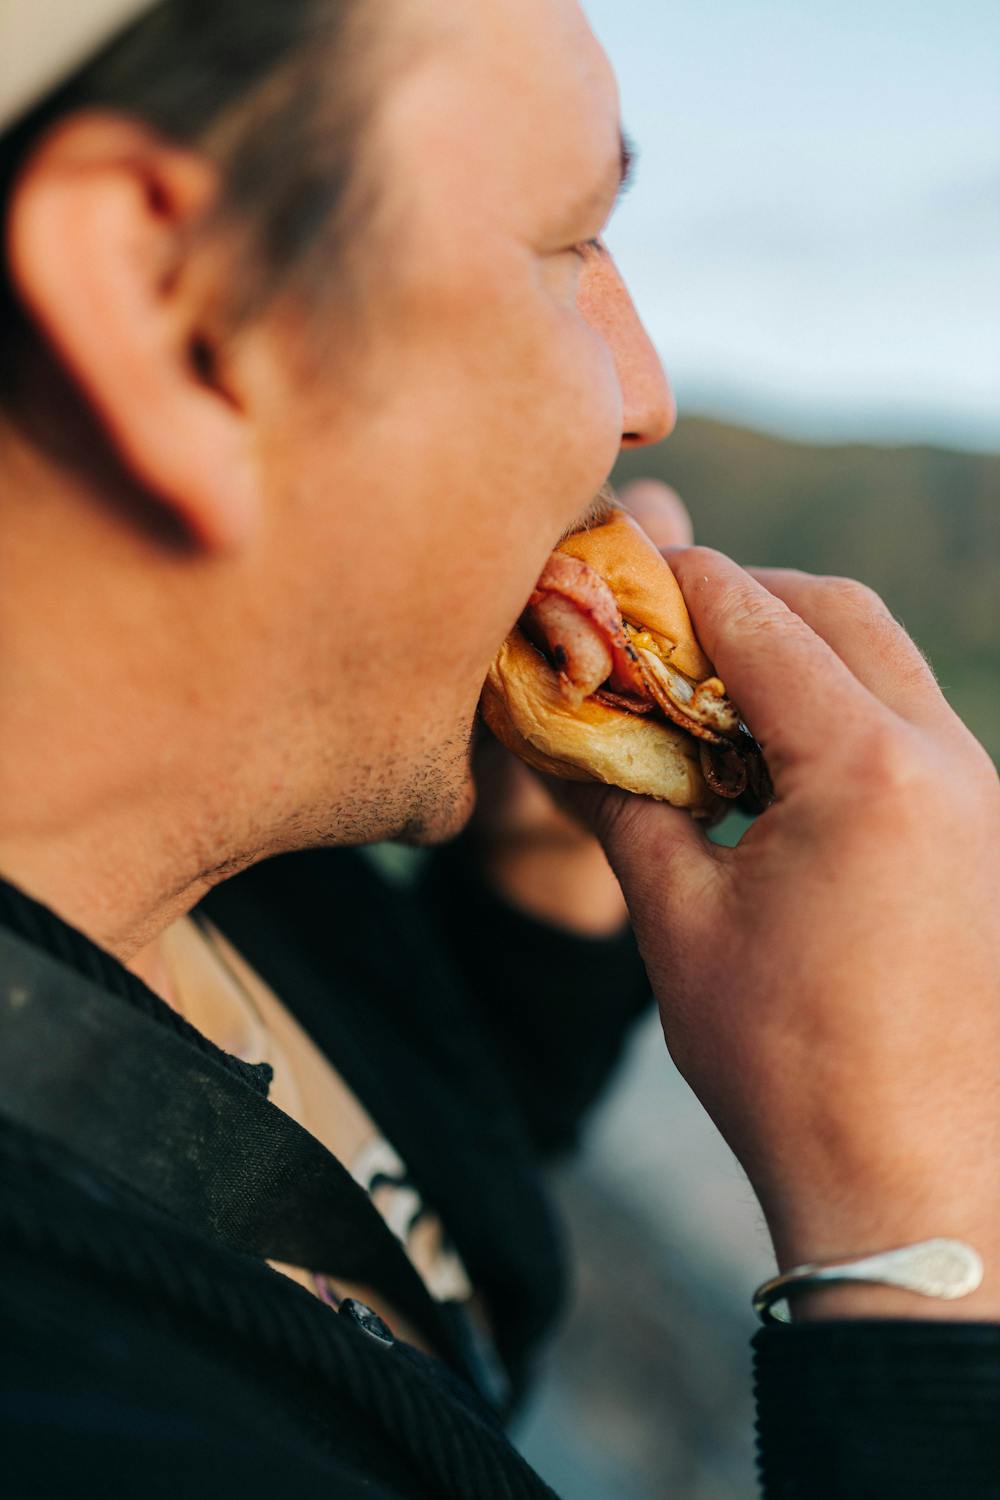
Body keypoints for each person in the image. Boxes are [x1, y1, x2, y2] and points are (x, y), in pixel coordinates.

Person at [1, 1, 998, 1496]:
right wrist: (922, 1229)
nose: (643, 394)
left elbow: (388, 1210)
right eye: (569, 246)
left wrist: (554, 872)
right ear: (166, 304)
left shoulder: (236, 867)